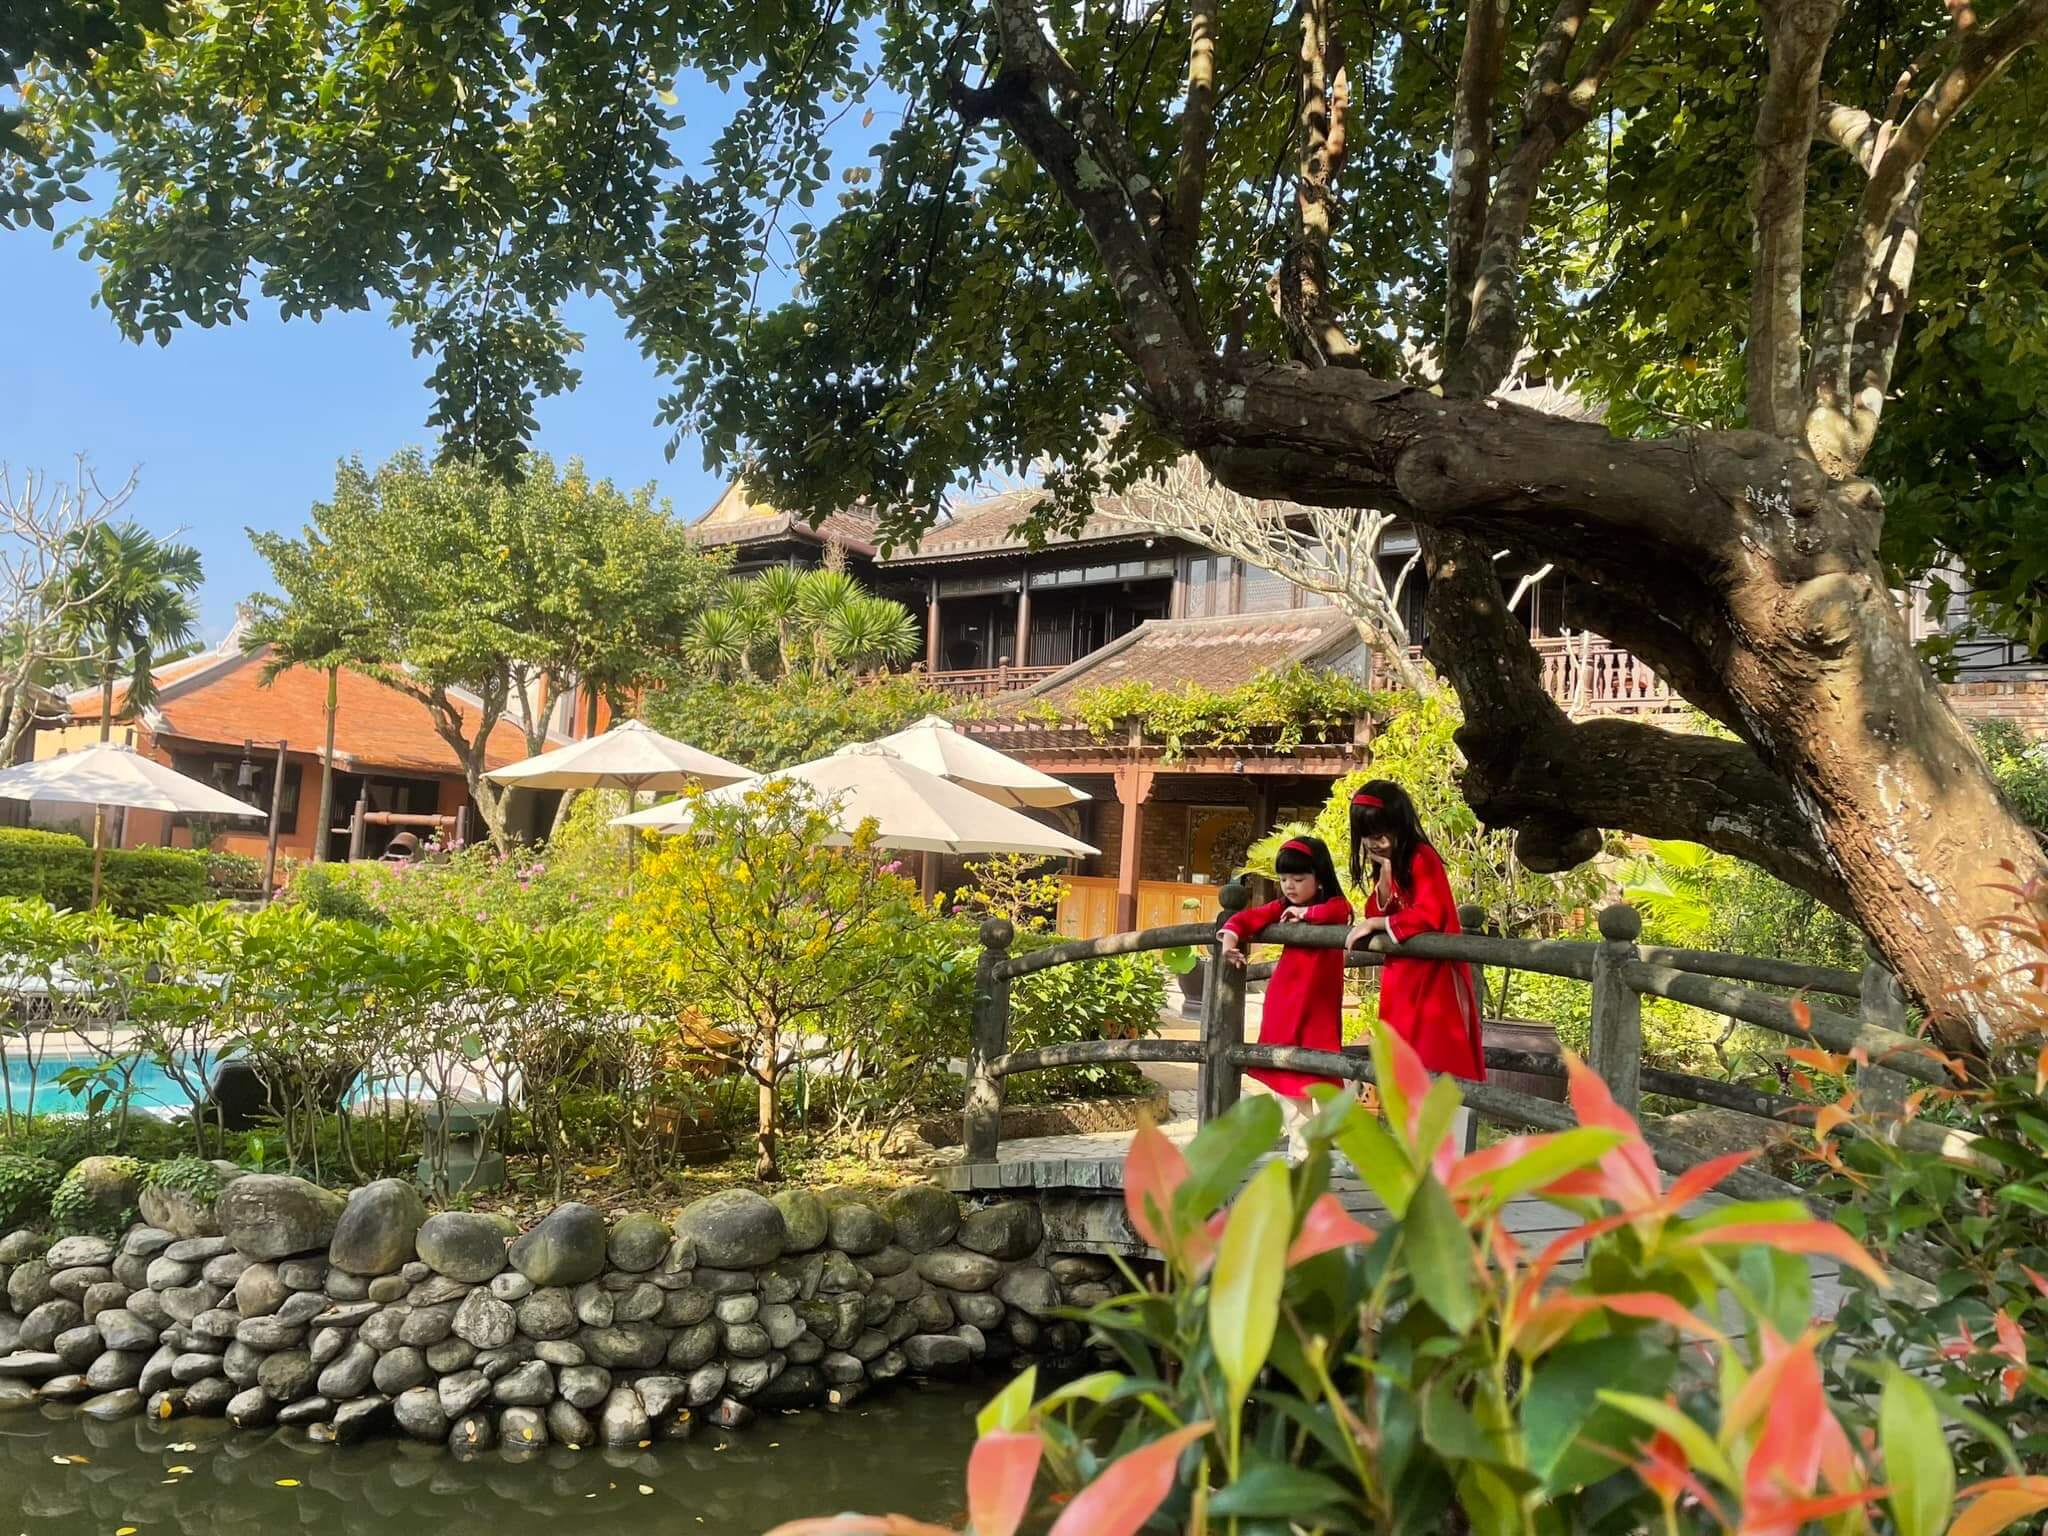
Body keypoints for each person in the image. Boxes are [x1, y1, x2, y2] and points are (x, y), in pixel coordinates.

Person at [1344, 781, 1486, 1146]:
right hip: (1404, 981)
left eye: (1381, 833)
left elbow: (1432, 913)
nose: (1375, 842)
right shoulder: (1390, 864)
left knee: (1438, 1062)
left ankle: (1445, 1163)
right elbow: (1376, 910)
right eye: (1367, 835)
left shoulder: (1422, 857)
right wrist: (1385, 884)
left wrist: (1379, 923)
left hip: (1435, 979)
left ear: (1400, 824)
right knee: (1407, 1065)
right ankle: (1418, 1160)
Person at [1216, 834, 1352, 1161]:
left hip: (1317, 1011)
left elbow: (1338, 909)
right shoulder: (1282, 908)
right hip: (1285, 1006)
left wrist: (1305, 916)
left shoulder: (1332, 907)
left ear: (1320, 879)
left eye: (1299, 879)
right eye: (1284, 879)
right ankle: (1301, 1155)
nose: (1289, 886)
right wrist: (1230, 939)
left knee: (1325, 1078)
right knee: (1289, 1086)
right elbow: (1249, 918)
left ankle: (1346, 1150)